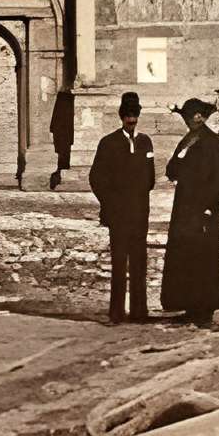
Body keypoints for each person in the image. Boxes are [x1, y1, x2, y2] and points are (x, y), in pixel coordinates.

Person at [87, 90, 156, 323]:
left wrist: (139, 199)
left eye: (135, 115)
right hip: (118, 214)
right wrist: (111, 204)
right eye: (127, 115)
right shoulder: (108, 143)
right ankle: (116, 312)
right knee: (119, 262)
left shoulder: (146, 142)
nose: (131, 120)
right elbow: (96, 178)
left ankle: (139, 311)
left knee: (139, 261)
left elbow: (150, 178)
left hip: (139, 213)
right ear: (120, 116)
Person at [161, 96, 219, 327]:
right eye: (189, 116)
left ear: (204, 116)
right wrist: (181, 155)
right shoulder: (187, 140)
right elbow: (171, 171)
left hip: (204, 208)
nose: (194, 119)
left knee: (204, 258)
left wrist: (210, 206)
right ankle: (189, 305)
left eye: (198, 115)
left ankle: (205, 309)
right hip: (184, 208)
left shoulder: (214, 142)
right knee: (185, 255)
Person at [48, 82, 75, 191]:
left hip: (62, 132)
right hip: (64, 132)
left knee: (62, 154)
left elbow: (54, 120)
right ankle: (60, 173)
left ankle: (60, 173)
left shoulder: (61, 99)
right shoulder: (66, 100)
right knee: (63, 154)